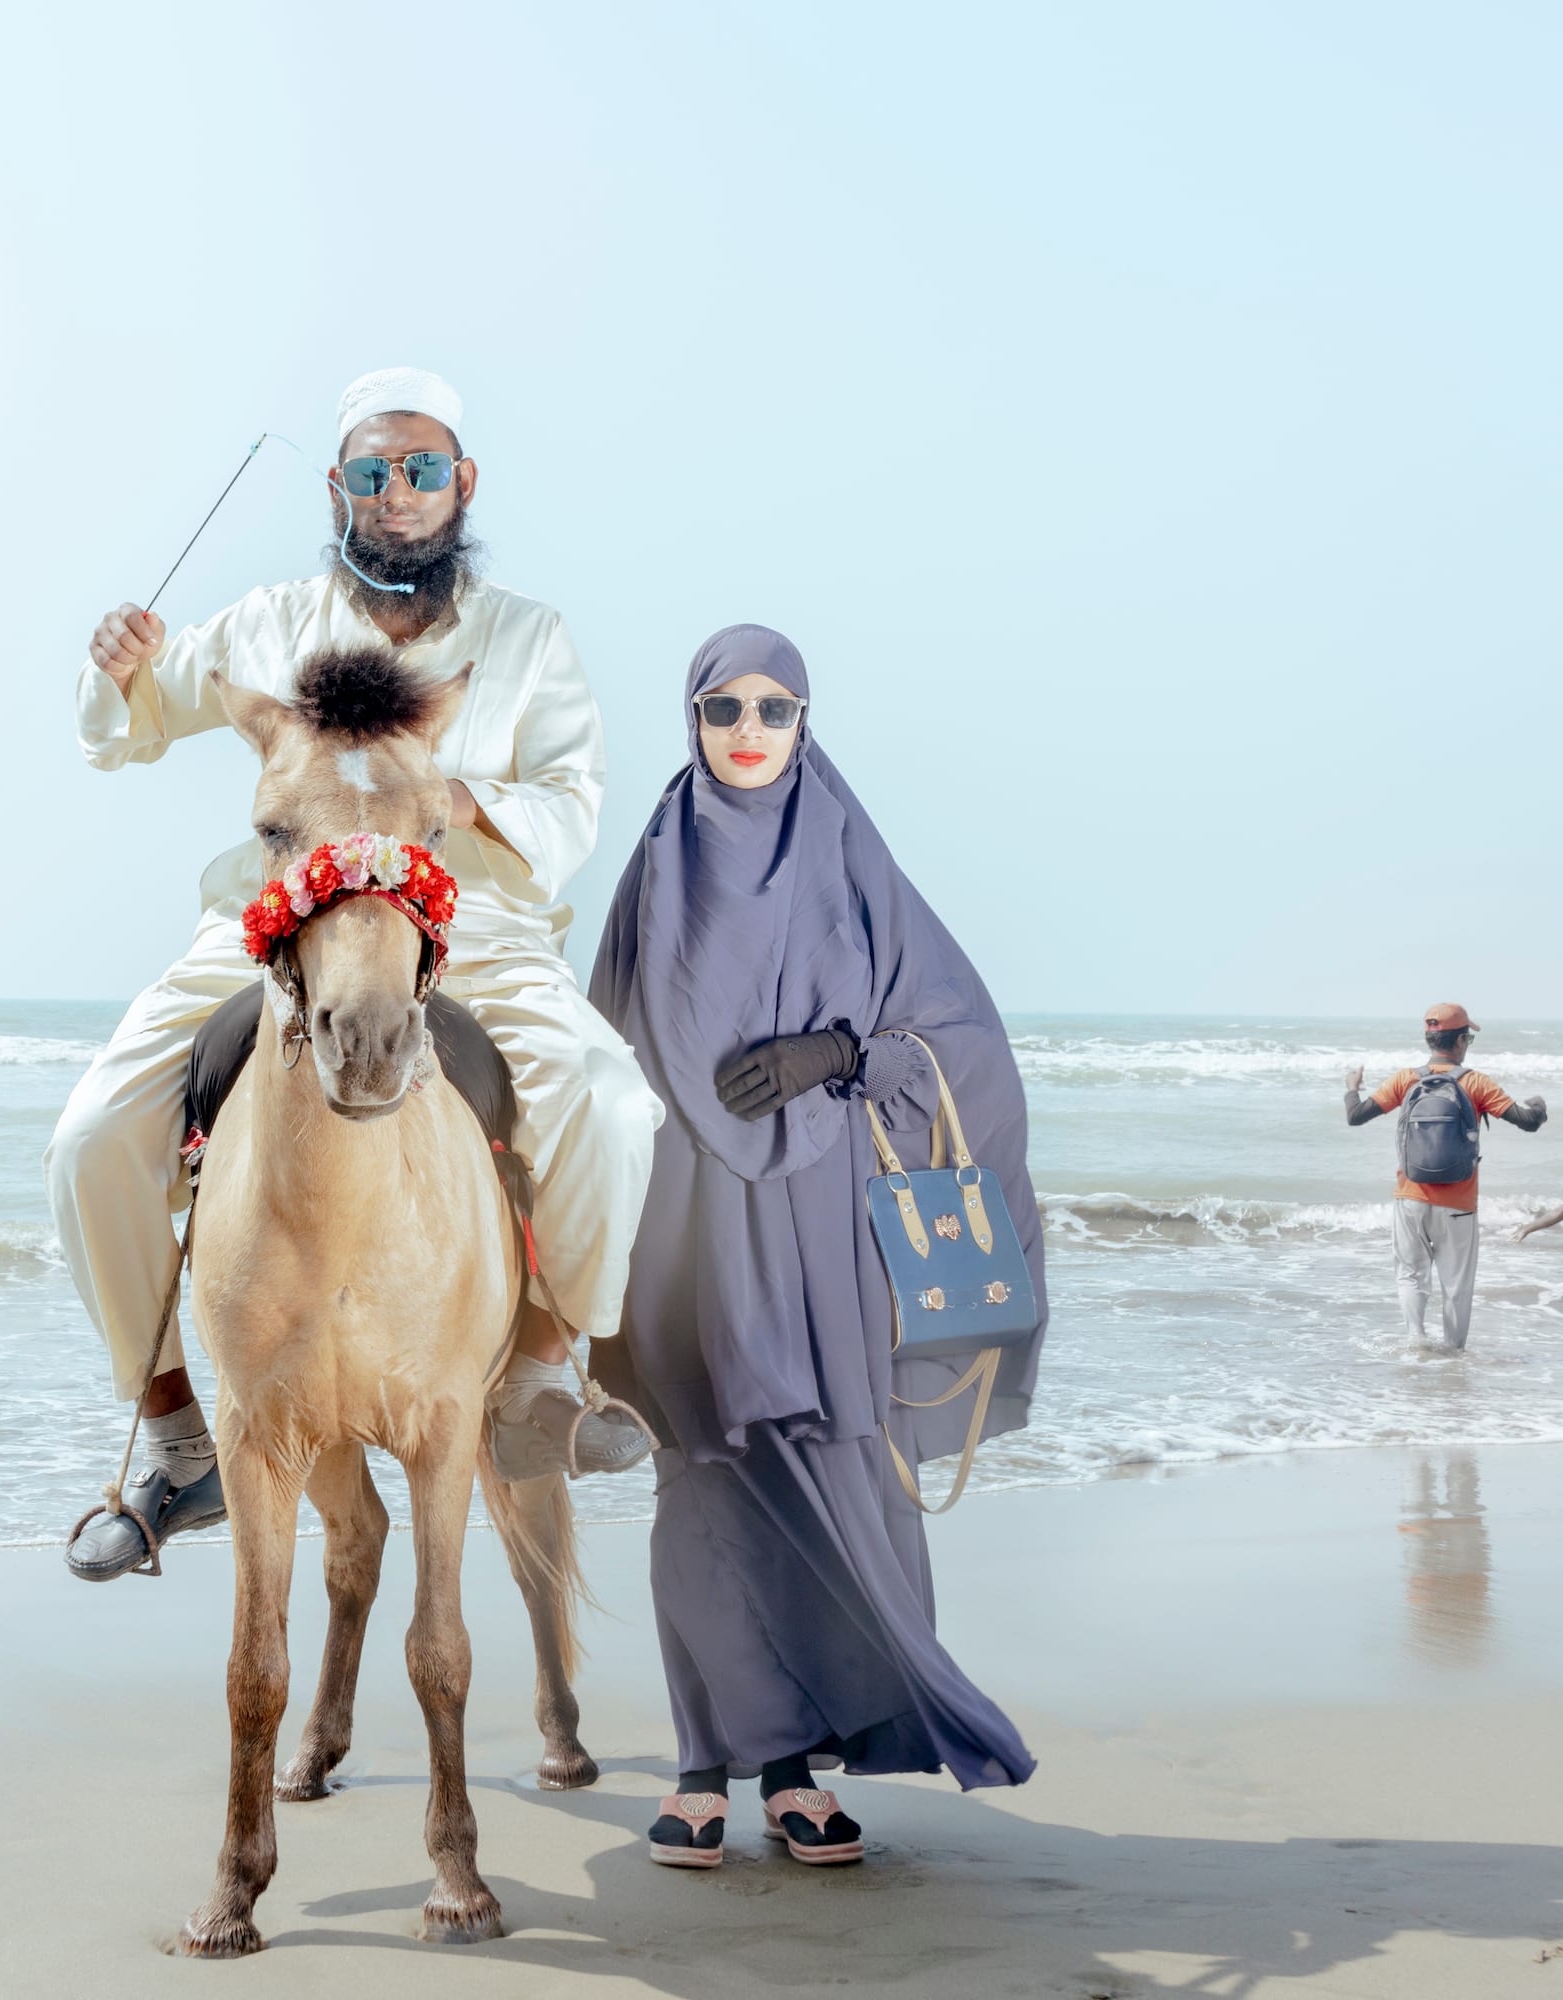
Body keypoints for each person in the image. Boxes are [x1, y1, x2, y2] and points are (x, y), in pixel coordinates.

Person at [51, 367, 664, 1582]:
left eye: (423, 469)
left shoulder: (527, 637)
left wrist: (456, 799)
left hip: (470, 919)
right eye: (374, 472)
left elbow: (573, 803)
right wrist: (115, 663)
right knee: (86, 1137)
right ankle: (176, 1434)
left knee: (609, 1101)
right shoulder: (265, 620)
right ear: (338, 487)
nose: (398, 492)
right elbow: (127, 725)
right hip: (277, 919)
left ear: (461, 484)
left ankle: (543, 1366)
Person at [589, 625, 1040, 1869]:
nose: (747, 726)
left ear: (804, 720)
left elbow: (957, 1036)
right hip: (684, 1219)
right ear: (688, 719)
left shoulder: (848, 853)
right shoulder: (657, 863)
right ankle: (703, 1763)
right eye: (721, 704)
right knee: (706, 1476)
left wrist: (837, 1057)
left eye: (774, 706)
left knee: (827, 1469)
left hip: (824, 1216)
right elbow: (598, 1059)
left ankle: (792, 1769)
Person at [1344, 1004, 1548, 1351]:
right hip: (1458, 1206)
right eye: (1468, 1036)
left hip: (1410, 1199)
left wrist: (1352, 1087)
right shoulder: (1475, 1082)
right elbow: (1527, 1121)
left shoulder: (1405, 1078)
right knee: (1456, 1285)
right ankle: (1454, 1353)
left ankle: (1416, 1340)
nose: (1468, 1043)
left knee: (1410, 1274)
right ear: (1459, 1041)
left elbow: (1355, 1116)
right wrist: (1540, 1107)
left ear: (1431, 1040)